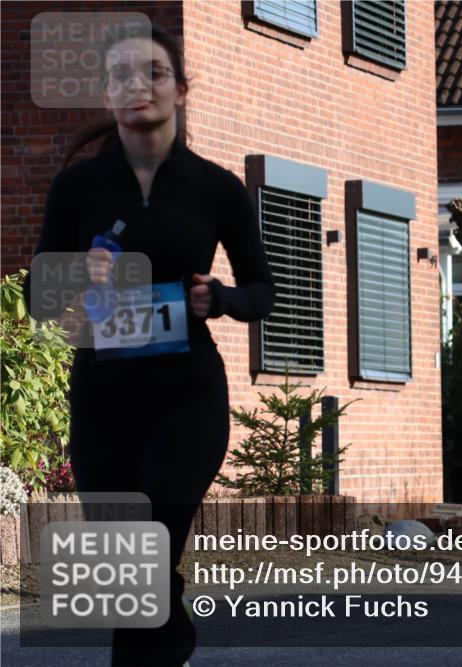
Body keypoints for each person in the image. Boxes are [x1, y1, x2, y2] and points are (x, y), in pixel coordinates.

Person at [24, 24, 276, 665]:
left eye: (154, 72)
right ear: (108, 95)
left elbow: (264, 292)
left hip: (185, 392)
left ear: (181, 89)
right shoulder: (77, 188)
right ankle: (172, 628)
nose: (138, 85)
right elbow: (39, 299)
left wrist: (218, 298)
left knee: (150, 549)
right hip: (104, 393)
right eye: (122, 76)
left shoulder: (216, 188)